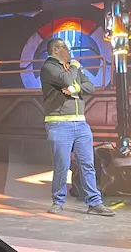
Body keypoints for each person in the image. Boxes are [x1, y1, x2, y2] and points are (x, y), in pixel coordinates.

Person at [39, 37, 114, 217]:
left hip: (80, 124)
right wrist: (74, 67)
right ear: (55, 50)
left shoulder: (71, 69)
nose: (69, 51)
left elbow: (90, 87)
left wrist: (75, 89)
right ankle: (58, 202)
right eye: (65, 47)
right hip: (59, 123)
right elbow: (66, 80)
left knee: (87, 164)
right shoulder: (49, 67)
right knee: (62, 165)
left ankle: (94, 203)